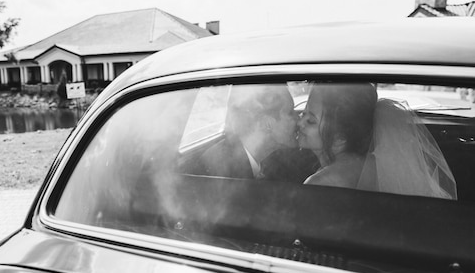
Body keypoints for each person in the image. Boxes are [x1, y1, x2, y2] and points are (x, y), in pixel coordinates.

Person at [297, 82, 457, 199]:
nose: (299, 123)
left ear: (340, 138)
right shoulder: (385, 168)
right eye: (302, 114)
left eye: (310, 121)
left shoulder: (318, 185)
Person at [193, 84, 318, 183]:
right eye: (291, 112)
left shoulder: (269, 159)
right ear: (266, 124)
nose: (299, 119)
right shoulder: (221, 173)